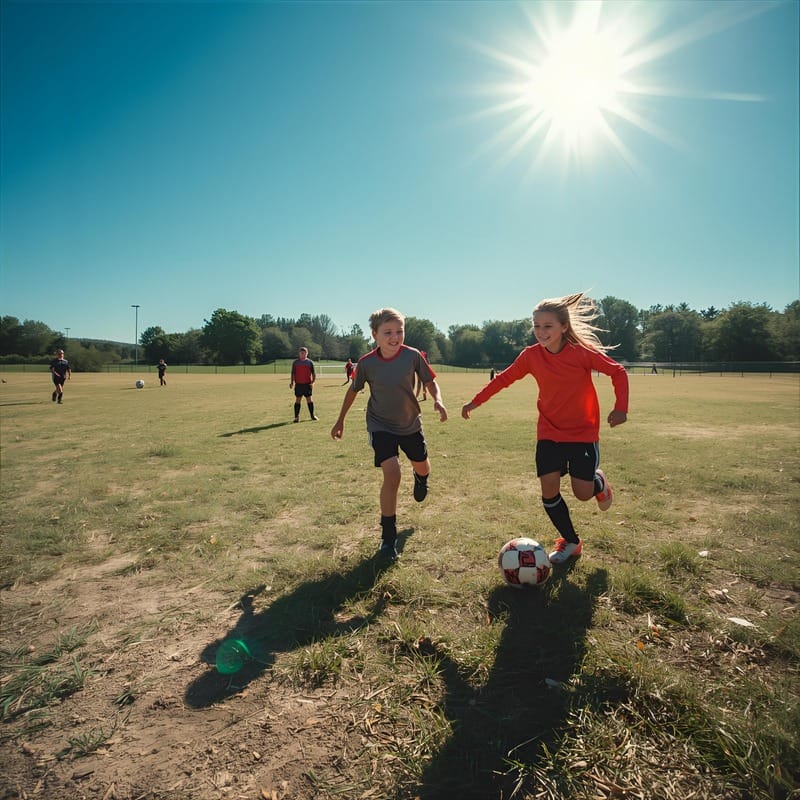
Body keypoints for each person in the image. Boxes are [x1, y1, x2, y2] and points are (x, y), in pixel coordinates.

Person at [461, 293, 629, 564]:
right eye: (536, 326)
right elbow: (504, 379)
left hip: (582, 434)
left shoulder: (581, 353)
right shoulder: (531, 356)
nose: (541, 332)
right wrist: (475, 401)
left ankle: (598, 482)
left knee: (583, 494)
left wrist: (621, 408)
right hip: (549, 432)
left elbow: (618, 372)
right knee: (548, 488)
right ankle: (571, 541)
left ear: (564, 327)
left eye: (547, 326)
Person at [331, 308, 448, 559]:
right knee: (392, 474)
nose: (395, 337)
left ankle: (421, 478)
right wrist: (340, 420)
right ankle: (388, 538)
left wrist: (437, 399)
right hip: (380, 424)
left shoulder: (413, 356)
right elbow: (353, 391)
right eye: (388, 333)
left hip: (410, 424)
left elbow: (430, 381)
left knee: (423, 466)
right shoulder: (366, 363)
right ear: (375, 335)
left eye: (399, 331)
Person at [290, 346, 318, 422]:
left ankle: (312, 416)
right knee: (297, 400)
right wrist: (292, 382)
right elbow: (293, 373)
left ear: (307, 353)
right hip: (299, 384)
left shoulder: (310, 362)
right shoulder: (295, 363)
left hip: (307, 384)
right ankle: (296, 417)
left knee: (309, 400)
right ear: (299, 354)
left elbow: (313, 373)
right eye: (301, 353)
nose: (302, 354)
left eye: (304, 353)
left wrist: (313, 382)